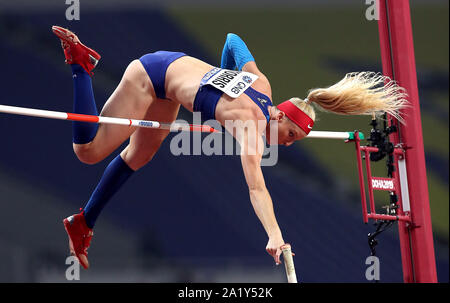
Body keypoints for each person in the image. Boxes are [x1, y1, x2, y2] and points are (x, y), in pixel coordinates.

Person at [53, 26, 407, 270]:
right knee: (87, 151)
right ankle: (81, 67)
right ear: (281, 117)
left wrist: (218, 88)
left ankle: (83, 222)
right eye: (290, 136)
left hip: (171, 74)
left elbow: (233, 39)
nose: (286, 143)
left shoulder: (262, 84)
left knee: (140, 155)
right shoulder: (251, 128)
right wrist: (274, 234)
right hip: (149, 75)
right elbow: (257, 188)